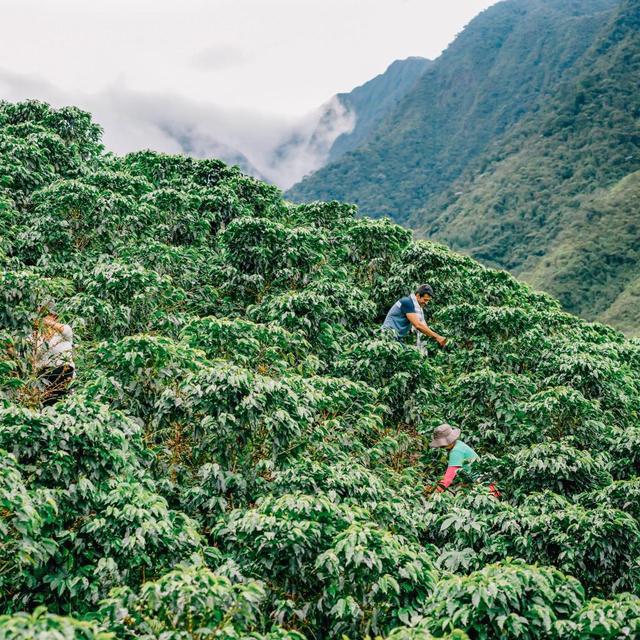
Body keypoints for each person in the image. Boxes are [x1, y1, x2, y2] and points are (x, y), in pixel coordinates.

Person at [428, 423, 499, 497]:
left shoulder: (456, 451)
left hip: (486, 489)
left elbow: (448, 479)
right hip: (488, 485)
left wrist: (434, 495)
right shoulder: (459, 444)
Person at [30, 303, 75, 406]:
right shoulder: (37, 337)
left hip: (63, 370)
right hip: (44, 374)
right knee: (46, 402)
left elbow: (66, 331)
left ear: (54, 317)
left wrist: (45, 321)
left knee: (60, 400)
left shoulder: (63, 332)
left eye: (45, 315)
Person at [382, 284, 447, 348]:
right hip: (387, 336)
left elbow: (424, 326)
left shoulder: (417, 307)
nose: (426, 303)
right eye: (425, 300)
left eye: (428, 301)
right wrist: (437, 337)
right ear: (418, 296)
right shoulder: (407, 302)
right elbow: (418, 325)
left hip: (397, 338)